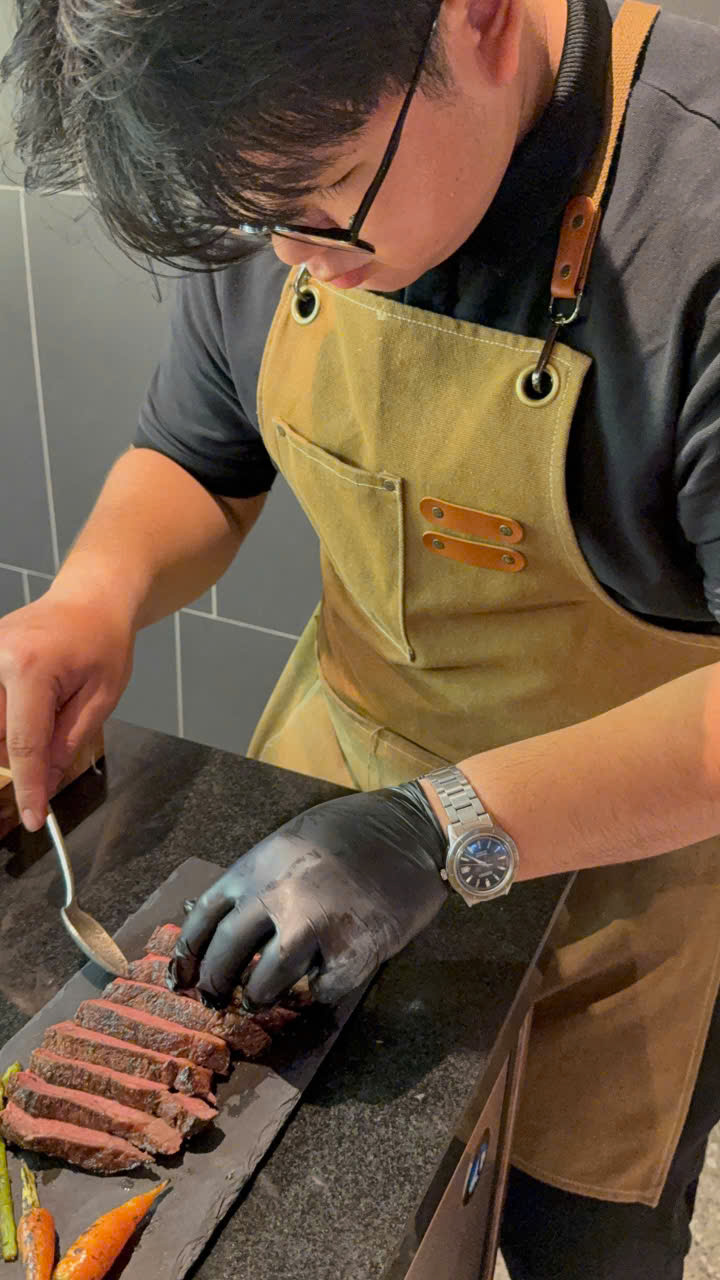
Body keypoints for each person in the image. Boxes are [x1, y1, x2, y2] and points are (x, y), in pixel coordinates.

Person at [2, 0, 720, 1274]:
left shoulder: (697, 205)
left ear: (477, 17)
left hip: (625, 870)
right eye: (254, 223)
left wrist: (437, 826)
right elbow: (199, 453)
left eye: (321, 206)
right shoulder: (257, 138)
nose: (290, 259)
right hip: (323, 819)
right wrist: (94, 594)